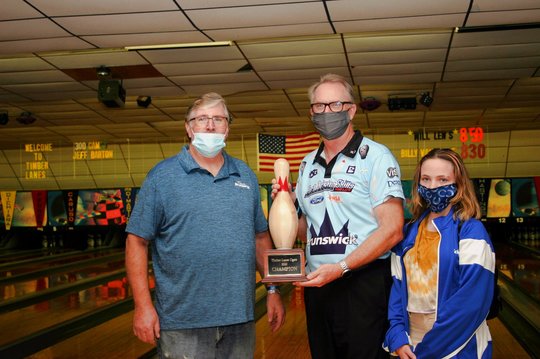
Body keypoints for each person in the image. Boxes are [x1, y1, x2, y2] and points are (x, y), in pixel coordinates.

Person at [125, 92, 285, 358]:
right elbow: (136, 240)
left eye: (218, 119)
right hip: (182, 323)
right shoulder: (162, 176)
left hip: (240, 319)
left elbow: (259, 238)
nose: (210, 125)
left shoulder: (244, 174)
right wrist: (143, 306)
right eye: (201, 119)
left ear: (228, 128)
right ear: (188, 128)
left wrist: (272, 289)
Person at [275, 73, 405, 358]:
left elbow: (394, 229)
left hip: (363, 283)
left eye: (335, 105)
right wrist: (283, 204)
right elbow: (303, 231)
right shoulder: (308, 163)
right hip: (318, 285)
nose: (326, 112)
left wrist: (343, 267)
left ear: (351, 109)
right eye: (319, 106)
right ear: (311, 112)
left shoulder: (376, 157)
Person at [384, 148, 495, 358]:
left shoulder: (471, 232)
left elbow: (471, 302)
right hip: (411, 343)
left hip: (459, 343)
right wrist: (398, 336)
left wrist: (429, 349)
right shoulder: (408, 234)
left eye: (442, 180)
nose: (432, 186)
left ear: (459, 184)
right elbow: (397, 290)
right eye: (425, 179)